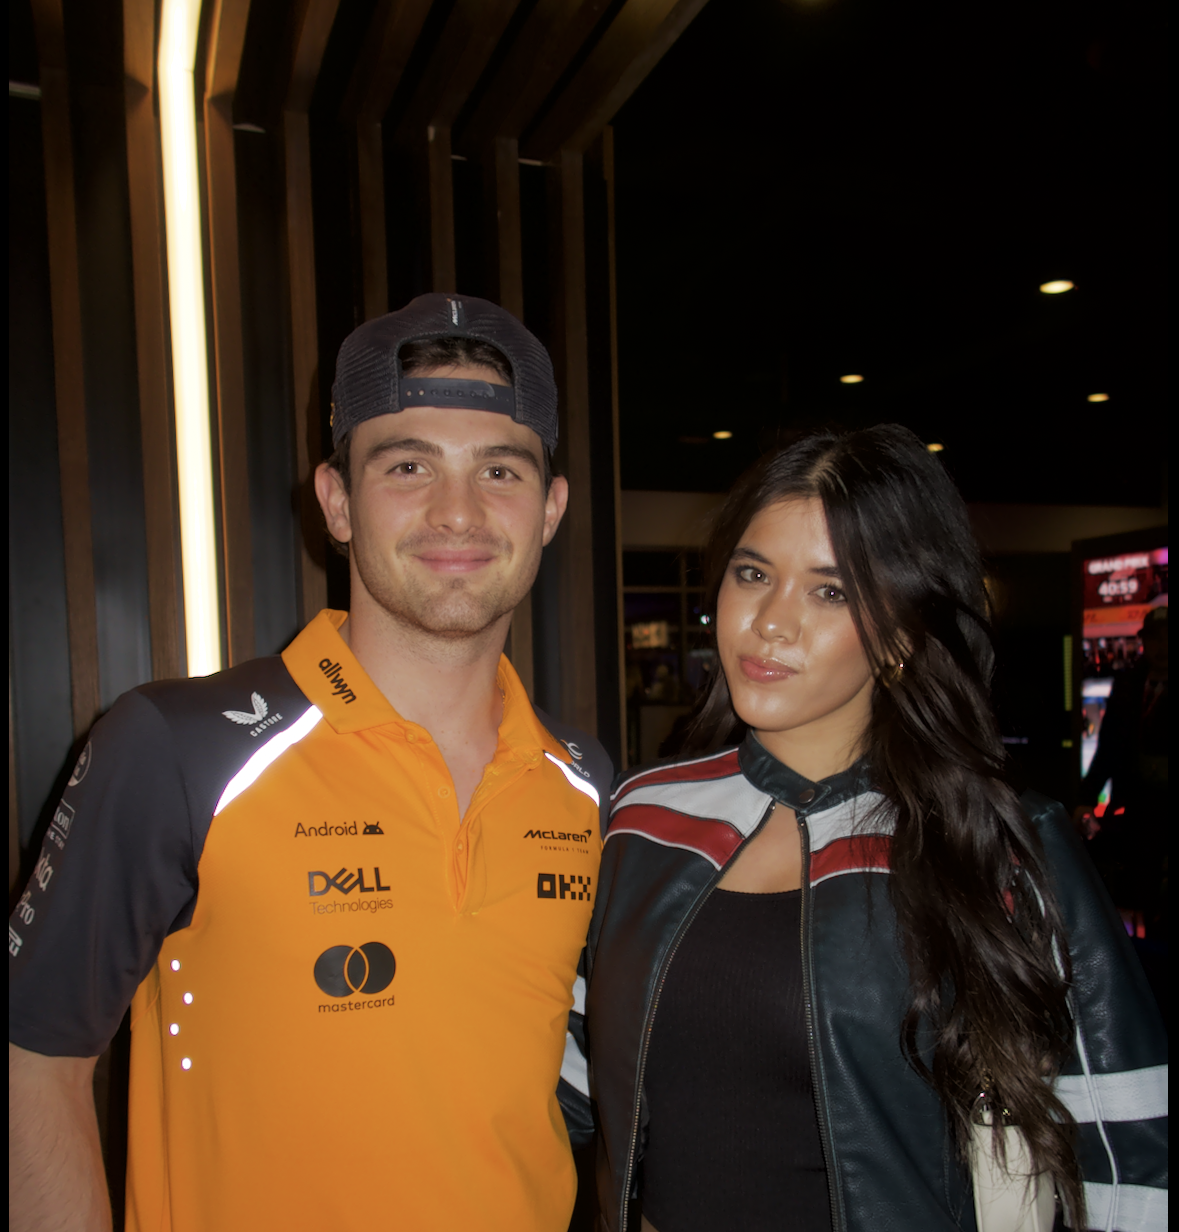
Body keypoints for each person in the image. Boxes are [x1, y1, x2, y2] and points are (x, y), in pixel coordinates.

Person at [10, 293, 611, 1232]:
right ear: (336, 501)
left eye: (500, 470)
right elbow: (33, 1060)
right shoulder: (180, 747)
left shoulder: (586, 783)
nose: (457, 511)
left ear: (550, 509)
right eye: (407, 465)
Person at [586, 426, 1167, 1232]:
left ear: (898, 635)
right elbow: (576, 1086)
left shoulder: (994, 840)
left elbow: (1128, 1142)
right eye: (753, 574)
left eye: (831, 592)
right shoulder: (645, 817)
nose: (770, 624)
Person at [1076, 605, 1168, 937]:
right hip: (1137, 806)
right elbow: (1110, 748)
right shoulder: (1129, 684)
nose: (1161, 646)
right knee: (1138, 887)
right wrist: (1086, 798)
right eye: (1155, 638)